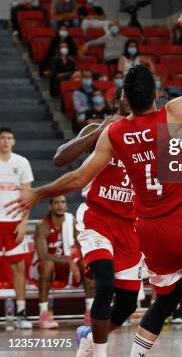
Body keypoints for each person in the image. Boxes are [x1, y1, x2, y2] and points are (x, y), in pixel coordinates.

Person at [8, 1, 182, 357]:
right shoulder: (171, 116)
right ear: (157, 95)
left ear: (125, 97)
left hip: (147, 231)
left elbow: (78, 177)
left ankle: (133, 353)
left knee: (167, 296)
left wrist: (39, 192)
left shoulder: (115, 133)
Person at [54, 104, 142, 357]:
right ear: (119, 104)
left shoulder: (149, 136)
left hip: (129, 225)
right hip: (97, 218)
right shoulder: (102, 129)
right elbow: (60, 157)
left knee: (127, 304)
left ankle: (89, 337)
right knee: (105, 284)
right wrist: (99, 130)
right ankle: (101, 353)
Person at [30, 195, 94, 329]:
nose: (60, 205)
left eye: (63, 202)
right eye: (56, 202)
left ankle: (90, 311)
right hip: (44, 266)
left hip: (66, 265)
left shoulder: (71, 221)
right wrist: (69, 262)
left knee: (86, 265)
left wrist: (84, 262)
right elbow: (42, 255)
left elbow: (80, 244)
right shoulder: (42, 226)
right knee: (47, 265)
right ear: (50, 206)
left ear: (66, 205)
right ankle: (43, 313)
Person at [0, 127, 34, 329]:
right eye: (2, 137)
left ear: (14, 141)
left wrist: (23, 223)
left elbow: (28, 196)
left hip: (14, 222)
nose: (5, 141)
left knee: (18, 268)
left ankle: (21, 312)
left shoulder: (22, 163)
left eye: (9, 138)